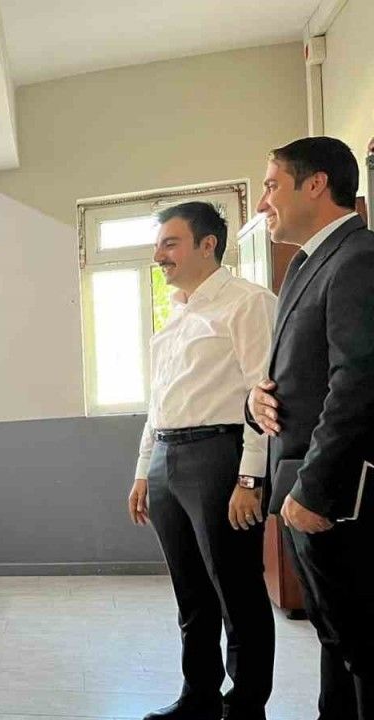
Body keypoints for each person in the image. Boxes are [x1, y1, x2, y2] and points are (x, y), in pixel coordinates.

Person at [126, 202, 276, 720]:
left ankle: (246, 707)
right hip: (167, 458)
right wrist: (143, 471)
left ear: (207, 244)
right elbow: (158, 403)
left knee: (237, 591)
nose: (159, 256)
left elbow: (264, 396)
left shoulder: (247, 303)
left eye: (170, 244)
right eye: (158, 245)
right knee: (191, 594)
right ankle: (199, 697)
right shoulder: (177, 315)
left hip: (219, 456)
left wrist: (250, 477)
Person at [246, 136, 374, 719]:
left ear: (316, 184)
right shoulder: (305, 264)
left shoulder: (357, 258)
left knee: (361, 645)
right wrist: (256, 399)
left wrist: (315, 488)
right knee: (335, 639)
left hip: (336, 497)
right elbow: (300, 374)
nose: (263, 202)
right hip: (302, 482)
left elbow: (359, 381)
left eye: (272, 185)